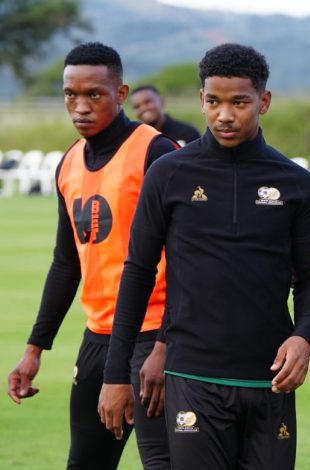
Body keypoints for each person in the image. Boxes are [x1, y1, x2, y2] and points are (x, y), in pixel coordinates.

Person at [98, 43, 310, 470]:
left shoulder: (295, 182)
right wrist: (115, 375)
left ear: (264, 101)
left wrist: (304, 337)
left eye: (239, 102)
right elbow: (137, 273)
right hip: (193, 379)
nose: (225, 114)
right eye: (213, 101)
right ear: (201, 100)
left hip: (270, 379)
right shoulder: (169, 173)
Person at [5, 42, 177, 469]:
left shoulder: (157, 153)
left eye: (94, 95)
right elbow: (66, 262)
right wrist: (34, 348)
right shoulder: (68, 164)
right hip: (99, 338)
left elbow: (189, 260)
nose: (80, 107)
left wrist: (164, 345)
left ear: (121, 94)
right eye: (70, 95)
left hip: (154, 336)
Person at [130, 85, 201, 145]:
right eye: (137, 106)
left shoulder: (187, 133)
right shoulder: (136, 140)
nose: (143, 108)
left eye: (148, 102)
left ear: (161, 102)